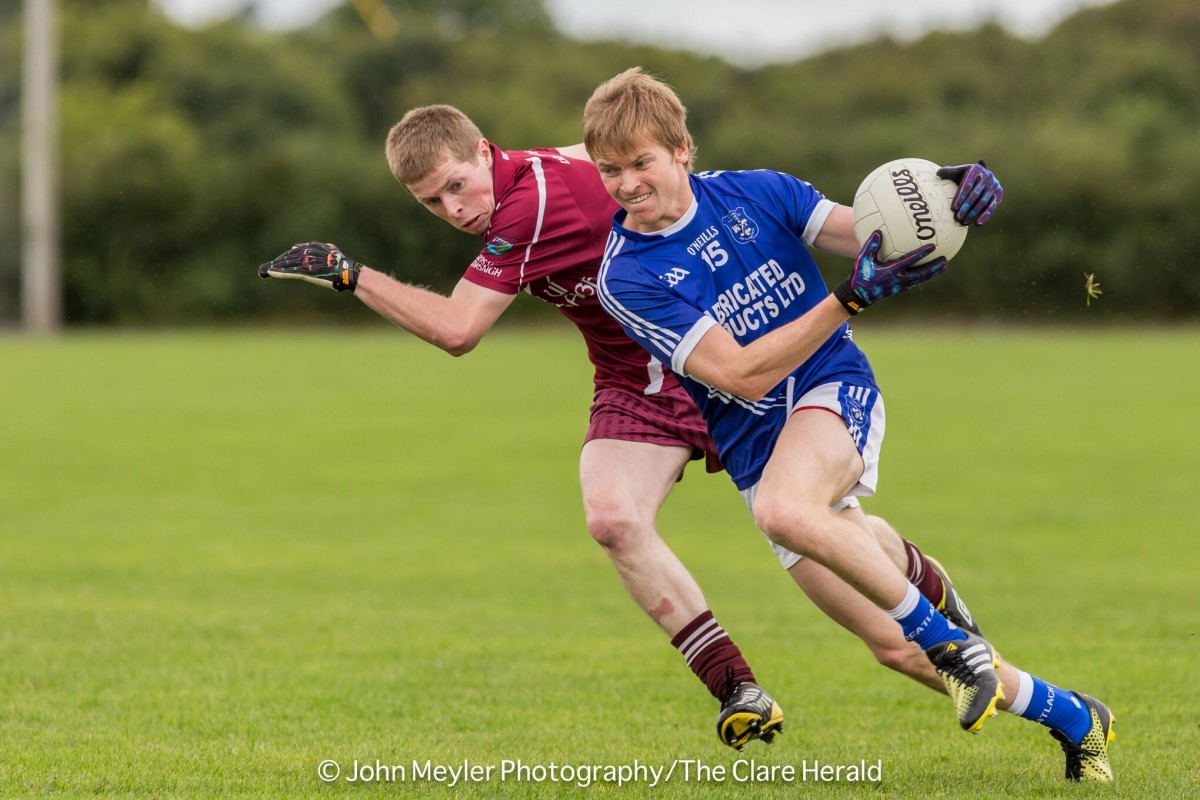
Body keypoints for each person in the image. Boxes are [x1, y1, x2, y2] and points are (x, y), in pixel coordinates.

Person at [258, 104, 996, 753]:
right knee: (612, 517)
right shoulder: (545, 165)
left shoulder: (526, 208)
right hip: (635, 379)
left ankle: (962, 631)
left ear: (484, 152)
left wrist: (351, 275)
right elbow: (598, 148)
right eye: (431, 202)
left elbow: (458, 330)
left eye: (456, 185)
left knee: (868, 608)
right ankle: (737, 686)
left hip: (720, 361)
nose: (453, 209)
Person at [583, 67, 1114, 782]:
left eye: (640, 163)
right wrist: (850, 299)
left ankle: (948, 639)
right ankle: (1077, 717)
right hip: (756, 451)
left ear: (682, 149)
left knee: (786, 512)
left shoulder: (758, 191)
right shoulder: (626, 276)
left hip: (832, 388)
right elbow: (739, 374)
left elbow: (874, 233)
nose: (626, 184)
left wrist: (953, 196)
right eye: (609, 170)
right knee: (894, 649)